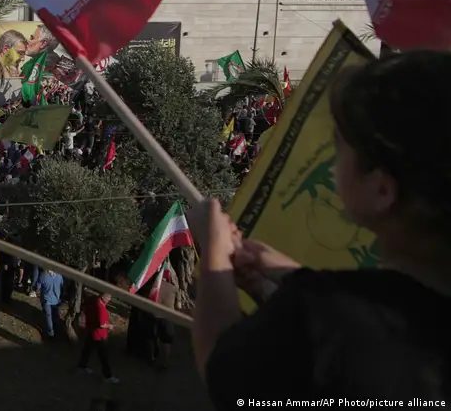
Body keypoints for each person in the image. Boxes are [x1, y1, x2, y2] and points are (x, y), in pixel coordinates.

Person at [191, 51, 451, 406]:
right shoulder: (332, 311)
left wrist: (214, 255)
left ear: (382, 191)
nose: (331, 162)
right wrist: (288, 281)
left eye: (339, 146)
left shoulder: (330, 318)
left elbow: (221, 366)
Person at [77, 292, 118, 383]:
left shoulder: (92, 301)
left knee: (87, 350)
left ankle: (81, 366)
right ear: (104, 297)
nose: (109, 300)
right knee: (104, 356)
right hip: (99, 335)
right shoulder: (101, 308)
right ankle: (108, 376)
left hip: (90, 331)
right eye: (108, 298)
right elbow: (102, 324)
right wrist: (109, 326)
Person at [34, 267, 64, 340]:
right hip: (56, 300)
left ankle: (51, 333)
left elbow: (37, 286)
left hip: (46, 300)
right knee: (55, 315)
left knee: (48, 316)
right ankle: (56, 330)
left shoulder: (43, 275)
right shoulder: (59, 276)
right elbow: (62, 286)